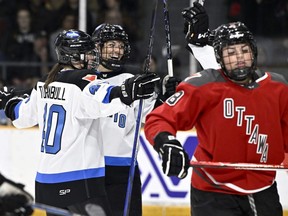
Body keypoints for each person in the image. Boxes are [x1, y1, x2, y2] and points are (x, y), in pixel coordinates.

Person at [0, 29, 159, 215]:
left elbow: (21, 117)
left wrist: (9, 101)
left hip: (45, 183)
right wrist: (126, 92)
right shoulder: (83, 82)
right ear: (74, 56)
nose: (93, 58)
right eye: (89, 53)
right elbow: (104, 98)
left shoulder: (44, 83)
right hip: (80, 182)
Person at [144, 15, 288, 216]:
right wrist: (166, 143)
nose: (239, 58)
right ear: (219, 57)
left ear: (254, 53)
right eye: (231, 53)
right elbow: (158, 119)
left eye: (244, 50)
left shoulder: (278, 87)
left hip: (263, 188)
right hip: (213, 191)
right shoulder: (202, 86)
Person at [91, 23, 179, 215]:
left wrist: (166, 97)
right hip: (87, 167)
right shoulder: (84, 79)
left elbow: (153, 116)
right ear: (97, 47)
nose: (116, 51)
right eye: (111, 45)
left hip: (122, 168)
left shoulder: (134, 81)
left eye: (120, 46)